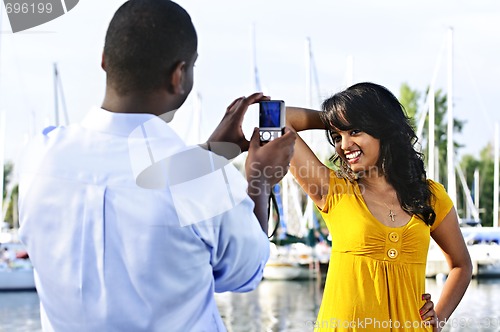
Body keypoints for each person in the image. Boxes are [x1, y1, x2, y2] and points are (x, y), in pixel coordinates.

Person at [17, 1, 296, 331]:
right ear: (179, 75)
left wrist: (211, 153)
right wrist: (259, 181)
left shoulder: (40, 156)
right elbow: (245, 272)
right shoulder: (206, 187)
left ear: (105, 61)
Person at [286, 82, 472, 331]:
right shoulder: (332, 190)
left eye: (355, 131)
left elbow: (462, 265)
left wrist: (438, 318)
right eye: (337, 136)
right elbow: (277, 119)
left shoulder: (430, 196)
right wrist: (336, 118)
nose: (343, 144)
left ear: (384, 129)